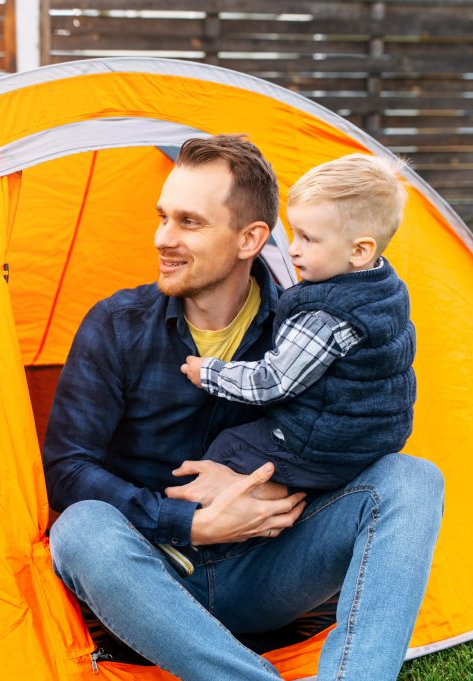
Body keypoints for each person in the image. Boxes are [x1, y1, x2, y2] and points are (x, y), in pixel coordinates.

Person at [43, 135, 443, 681]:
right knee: (79, 530)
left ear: (250, 238)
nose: (163, 238)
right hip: (151, 571)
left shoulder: (310, 330)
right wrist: (191, 522)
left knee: (412, 478)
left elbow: (352, 435)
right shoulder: (116, 325)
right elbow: (66, 470)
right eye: (163, 217)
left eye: (189, 222)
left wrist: (267, 490)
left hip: (266, 569)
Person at [178, 154, 415, 495]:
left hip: (322, 447)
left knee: (231, 447)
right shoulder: (386, 288)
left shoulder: (325, 317)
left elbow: (272, 381)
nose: (292, 249)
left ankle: (206, 535)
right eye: (293, 234)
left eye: (308, 239)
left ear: (360, 251)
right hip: (370, 440)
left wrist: (209, 373)